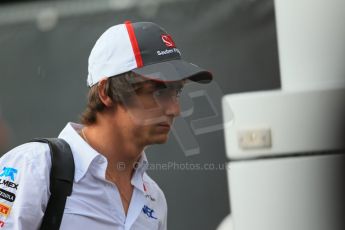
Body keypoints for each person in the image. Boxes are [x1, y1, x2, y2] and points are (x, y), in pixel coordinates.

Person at [0, 21, 212, 230]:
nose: (175, 109)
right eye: (158, 91)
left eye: (176, 91)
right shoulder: (33, 167)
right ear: (105, 92)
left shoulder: (154, 199)